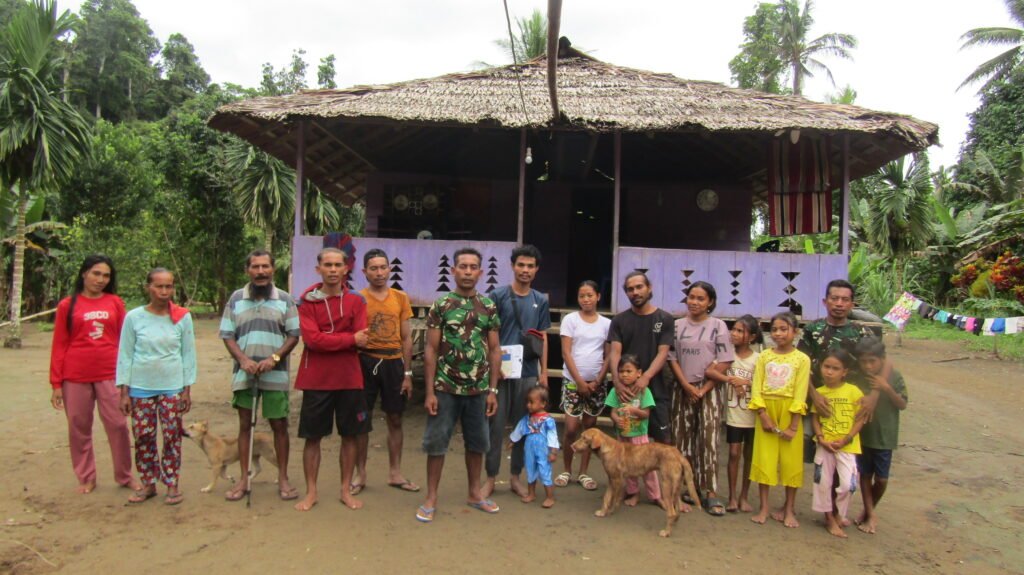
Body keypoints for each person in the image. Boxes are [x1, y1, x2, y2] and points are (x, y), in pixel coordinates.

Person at [417, 247, 502, 523]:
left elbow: (494, 350)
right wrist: (429, 391)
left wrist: (493, 390)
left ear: (480, 272)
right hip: (445, 388)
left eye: (472, 267)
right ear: (453, 271)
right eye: (462, 266)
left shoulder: (488, 306)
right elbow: (430, 349)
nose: (467, 271)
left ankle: (475, 493)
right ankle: (431, 497)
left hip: (478, 390)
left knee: (477, 443)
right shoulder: (441, 305)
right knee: (436, 443)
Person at [49, 255, 140, 495]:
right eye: (96, 273)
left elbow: (125, 342)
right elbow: (59, 344)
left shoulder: (115, 303)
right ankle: (86, 477)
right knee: (78, 427)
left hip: (110, 374)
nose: (100, 279)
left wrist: (127, 381)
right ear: (84, 273)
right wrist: (56, 383)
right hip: (75, 376)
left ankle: (124, 475)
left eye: (106, 275)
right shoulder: (67, 305)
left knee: (118, 425)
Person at [220, 250, 300, 502]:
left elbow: (294, 335)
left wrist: (274, 359)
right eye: (255, 267)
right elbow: (227, 335)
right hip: (244, 375)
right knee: (245, 426)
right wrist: (243, 360)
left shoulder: (285, 299)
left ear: (273, 270)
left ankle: (284, 478)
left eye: (265, 266)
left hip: (275, 375)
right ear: (248, 271)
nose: (261, 271)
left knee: (279, 425)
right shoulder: (235, 299)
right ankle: (244, 478)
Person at [293, 247, 369, 511]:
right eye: (328, 265)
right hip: (316, 378)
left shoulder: (357, 301)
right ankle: (311, 491)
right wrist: (348, 339)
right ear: (319, 269)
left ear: (346, 268)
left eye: (338, 265)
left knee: (350, 435)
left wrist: (333, 339)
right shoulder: (306, 302)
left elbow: (363, 337)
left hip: (349, 377)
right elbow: (312, 341)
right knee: (312, 437)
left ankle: (345, 490)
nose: (334, 270)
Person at [117, 268, 196, 505]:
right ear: (148, 288)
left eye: (168, 286)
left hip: (172, 386)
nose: (164, 291)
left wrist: (186, 390)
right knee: (143, 436)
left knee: (172, 435)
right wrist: (124, 391)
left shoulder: (182, 317)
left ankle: (172, 484)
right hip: (140, 387)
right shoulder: (134, 317)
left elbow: (188, 354)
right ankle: (148, 483)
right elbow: (125, 354)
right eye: (159, 286)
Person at [484, 244, 551, 499]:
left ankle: (514, 477)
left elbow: (543, 336)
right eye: (521, 265)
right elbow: (487, 334)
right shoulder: (497, 296)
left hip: (528, 373)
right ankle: (490, 478)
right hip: (500, 373)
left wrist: (544, 372)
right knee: (495, 425)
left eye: (530, 266)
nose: (525, 270)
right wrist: (494, 365)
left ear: (536, 270)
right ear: (512, 266)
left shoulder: (539, 301)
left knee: (525, 426)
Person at [353, 248, 419, 494]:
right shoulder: (357, 299)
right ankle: (360, 475)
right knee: (362, 420)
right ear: (364, 271)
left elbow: (406, 338)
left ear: (389, 269)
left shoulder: (400, 298)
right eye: (373, 268)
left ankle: (395, 473)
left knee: (395, 418)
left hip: (393, 364)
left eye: (383, 267)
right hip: (366, 363)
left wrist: (408, 373)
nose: (379, 273)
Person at [667, 281, 734, 516]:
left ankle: (711, 492)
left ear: (710, 302)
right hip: (682, 388)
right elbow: (671, 358)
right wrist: (686, 385)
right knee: (681, 439)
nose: (694, 302)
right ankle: (684, 488)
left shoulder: (719, 326)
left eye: (700, 298)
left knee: (708, 439)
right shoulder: (676, 326)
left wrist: (703, 389)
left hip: (710, 391)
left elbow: (725, 360)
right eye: (691, 297)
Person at [798, 279, 879, 458]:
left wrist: (874, 395)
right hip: (822, 405)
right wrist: (814, 396)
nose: (839, 304)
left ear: (852, 304)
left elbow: (880, 365)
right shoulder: (812, 330)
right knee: (819, 454)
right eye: (834, 298)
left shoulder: (861, 332)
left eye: (844, 300)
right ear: (825, 301)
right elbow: (800, 366)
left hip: (852, 406)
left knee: (850, 458)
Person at [748, 312, 810, 528]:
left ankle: (789, 509)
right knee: (765, 458)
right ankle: (764, 507)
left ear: (795, 332)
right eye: (775, 329)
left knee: (790, 462)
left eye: (784, 329)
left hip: (790, 411)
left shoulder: (802, 359)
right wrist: (762, 414)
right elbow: (756, 386)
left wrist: (793, 425)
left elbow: (801, 392)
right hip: (766, 408)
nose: (779, 333)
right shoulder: (764, 356)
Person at [608, 272, 675, 446]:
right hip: (627, 391)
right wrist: (617, 382)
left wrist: (645, 377)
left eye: (639, 287)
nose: (635, 292)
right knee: (628, 442)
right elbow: (615, 352)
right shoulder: (619, 320)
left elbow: (663, 352)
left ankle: (660, 475)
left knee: (663, 442)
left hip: (656, 388)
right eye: (630, 289)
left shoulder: (665, 319)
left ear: (649, 288)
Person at [556, 280, 610, 491]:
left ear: (598, 296)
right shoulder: (570, 320)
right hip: (572, 381)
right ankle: (567, 469)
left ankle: (583, 473)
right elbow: (566, 352)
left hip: (597, 384)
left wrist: (597, 381)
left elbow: (608, 355)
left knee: (589, 429)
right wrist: (579, 381)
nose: (586, 299)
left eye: (589, 295)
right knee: (570, 429)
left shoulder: (606, 324)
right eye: (581, 296)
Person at [853, 338, 908, 535]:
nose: (868, 366)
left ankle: (869, 511)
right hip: (863, 435)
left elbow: (902, 404)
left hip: (885, 436)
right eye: (864, 361)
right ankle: (869, 513)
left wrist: (886, 388)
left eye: (872, 361)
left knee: (882, 480)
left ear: (882, 360)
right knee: (865, 475)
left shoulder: (894, 377)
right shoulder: (857, 378)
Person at [810, 349, 866, 538]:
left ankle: (838, 514)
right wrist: (821, 438)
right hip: (824, 445)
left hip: (847, 446)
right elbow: (815, 418)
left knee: (848, 485)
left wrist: (847, 438)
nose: (829, 372)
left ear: (845, 372)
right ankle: (829, 519)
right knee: (823, 483)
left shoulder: (853, 391)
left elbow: (860, 418)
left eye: (835, 368)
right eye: (826, 367)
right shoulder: (819, 393)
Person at [604, 354, 661, 507]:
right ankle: (633, 493)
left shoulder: (644, 392)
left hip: (640, 437)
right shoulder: (616, 392)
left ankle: (655, 495)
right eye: (621, 371)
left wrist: (633, 410)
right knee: (628, 466)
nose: (624, 375)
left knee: (647, 467)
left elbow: (646, 414)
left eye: (629, 371)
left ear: (639, 373)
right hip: (623, 437)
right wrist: (617, 420)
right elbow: (613, 412)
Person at [723, 314, 762, 513]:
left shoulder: (759, 359)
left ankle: (744, 496)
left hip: (752, 416)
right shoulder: (727, 355)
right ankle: (731, 496)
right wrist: (731, 380)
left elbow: (765, 384)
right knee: (733, 453)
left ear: (752, 337)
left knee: (749, 456)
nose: (735, 334)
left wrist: (745, 382)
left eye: (740, 331)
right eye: (734, 330)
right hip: (734, 415)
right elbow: (712, 371)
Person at [509, 386, 559, 508]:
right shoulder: (527, 418)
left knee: (544, 470)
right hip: (529, 447)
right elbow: (520, 429)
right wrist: (513, 440)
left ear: (543, 403)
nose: (528, 405)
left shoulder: (548, 420)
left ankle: (550, 497)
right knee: (530, 469)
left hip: (543, 449)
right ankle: (531, 494)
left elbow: (553, 435)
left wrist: (553, 451)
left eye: (531, 402)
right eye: (527, 402)